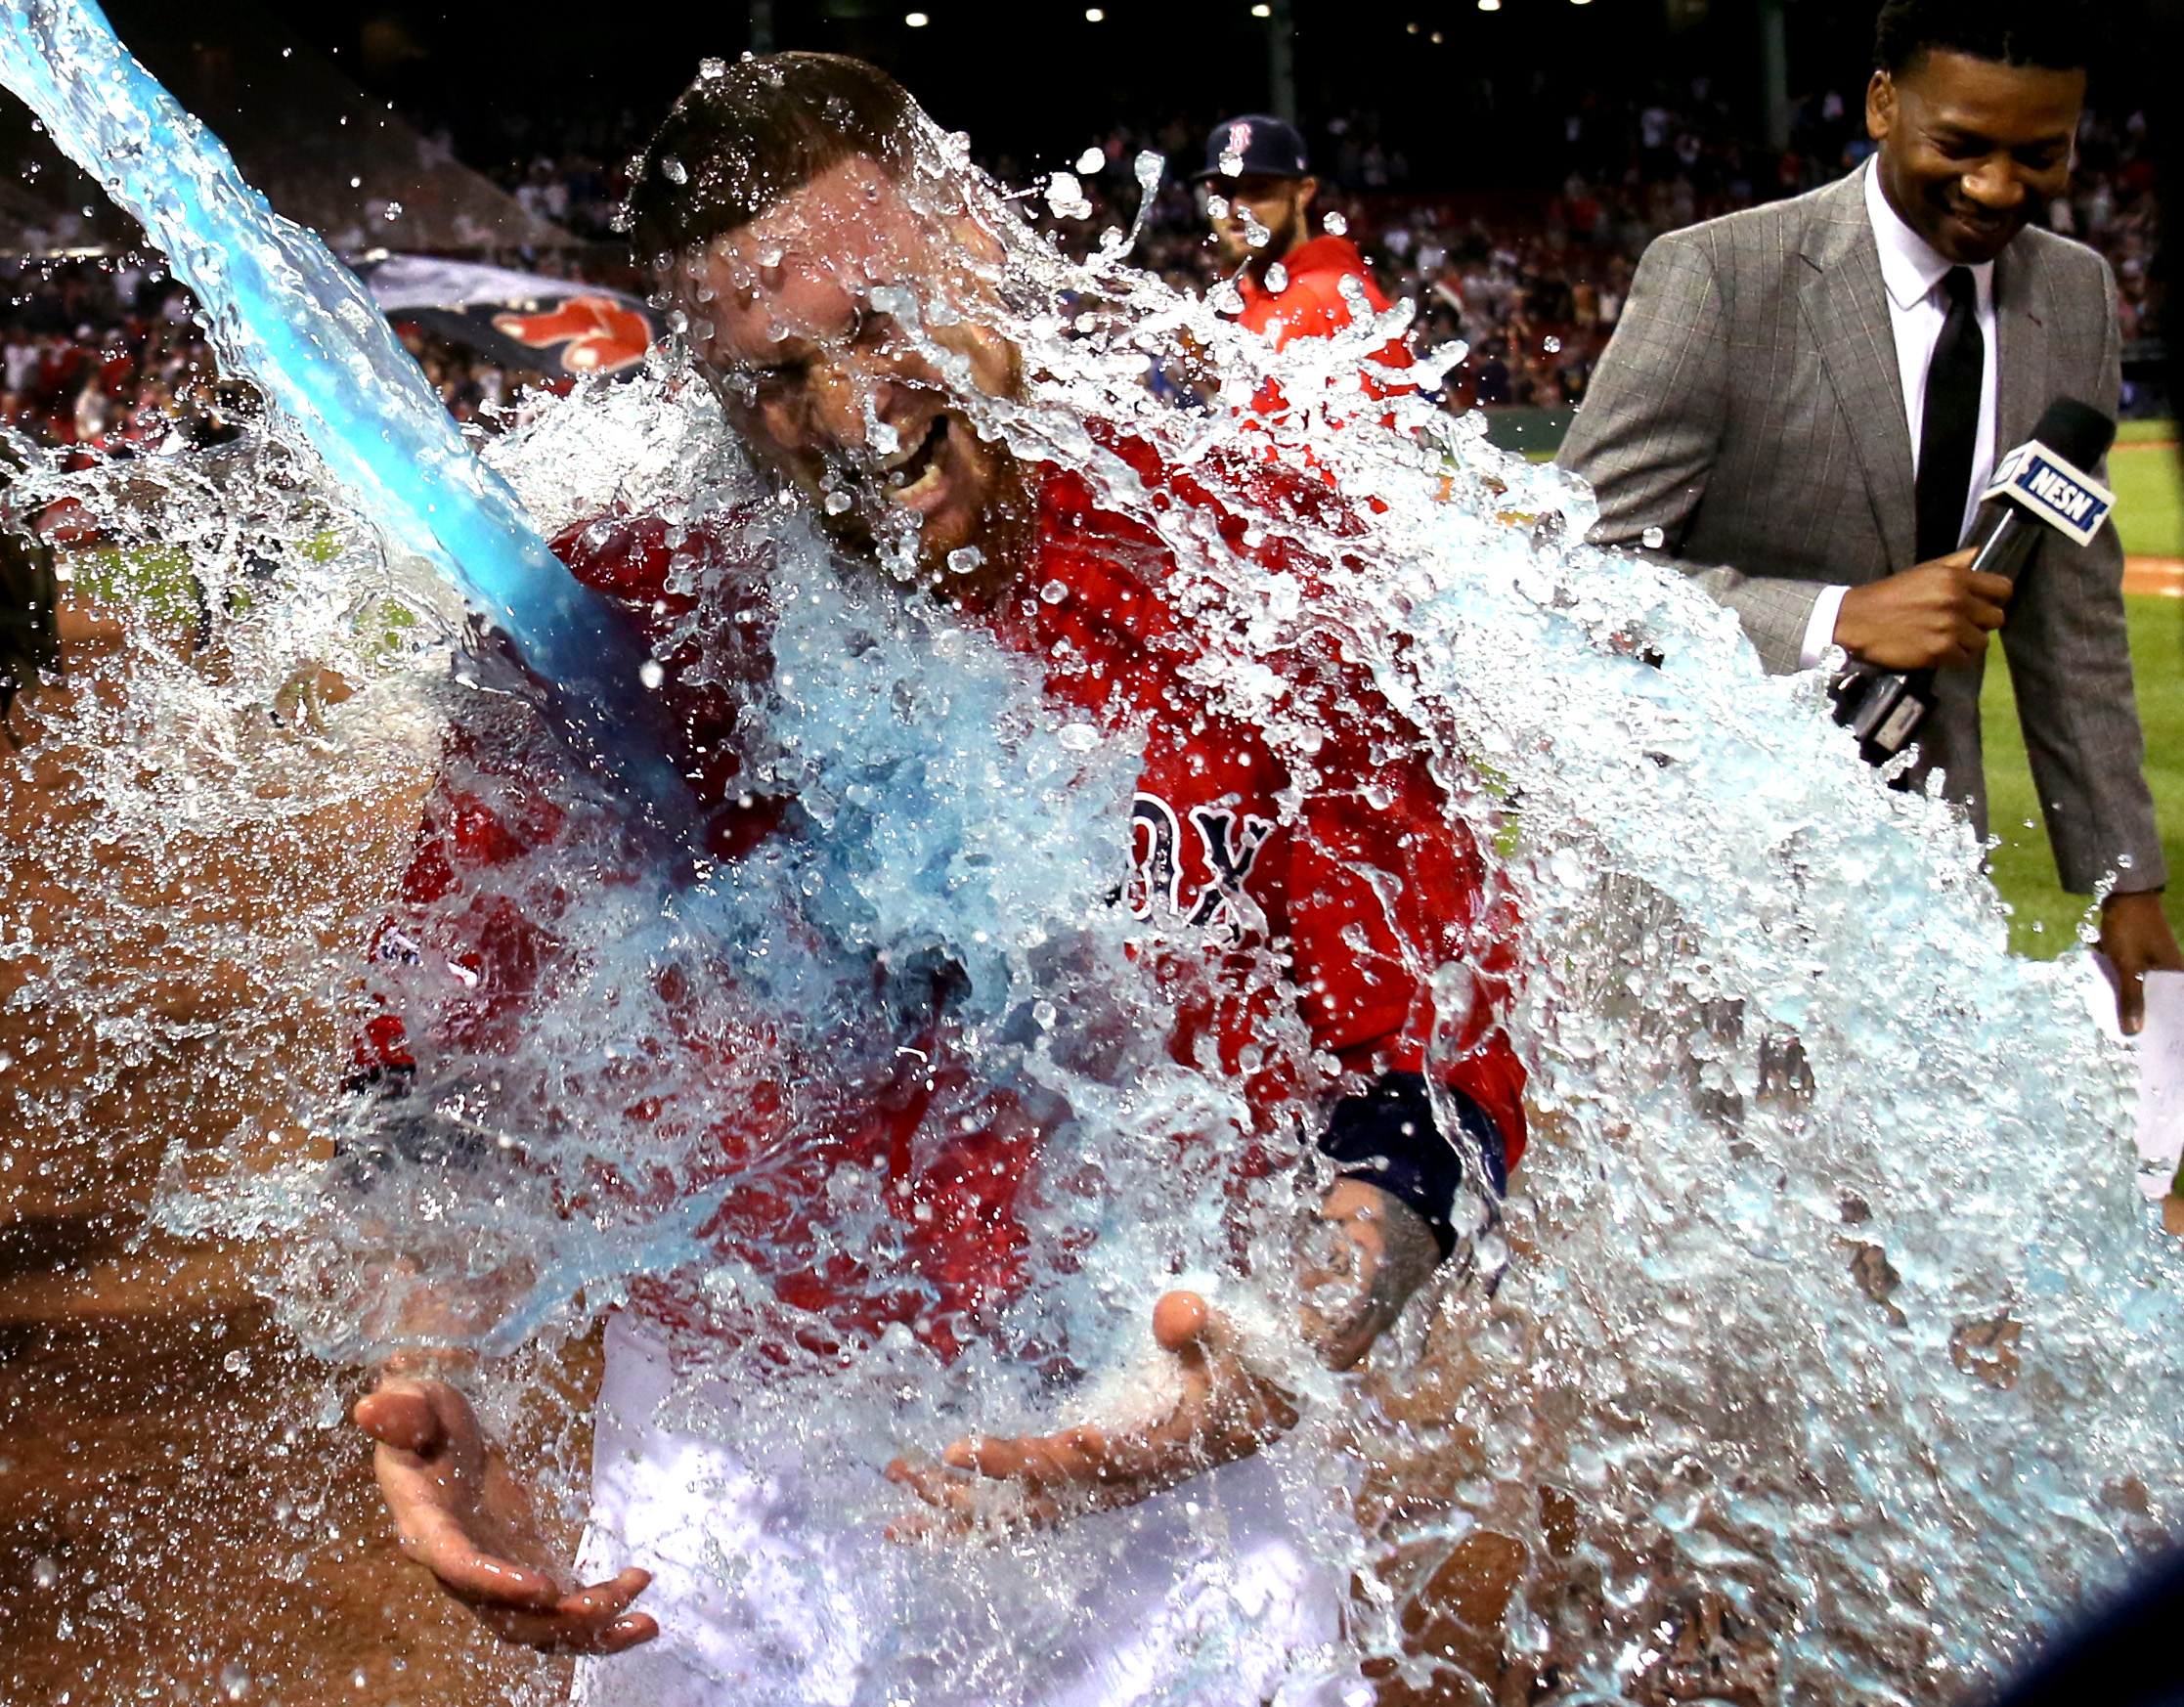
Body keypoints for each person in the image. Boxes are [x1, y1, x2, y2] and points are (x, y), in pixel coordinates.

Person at [347, 54, 1527, 1700]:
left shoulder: (1250, 562)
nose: (851, 415)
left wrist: (1286, 1350)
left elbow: (1425, 1043)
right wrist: (436, 1350)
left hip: (1168, 1409)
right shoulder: (614, 629)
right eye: (772, 377)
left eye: (880, 318)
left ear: (980, 244)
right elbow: (445, 1046)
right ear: (693, 380)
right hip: (739, 1449)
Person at [1557, 0, 2181, 1032]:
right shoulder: (1720, 274)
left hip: (1925, 868)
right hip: (1709, 854)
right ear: (1882, 104)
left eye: (2040, 154)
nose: (1996, 187)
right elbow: (1575, 570)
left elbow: (2068, 613)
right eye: (1961, 146)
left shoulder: (2073, 293)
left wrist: (2126, 880)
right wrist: (1833, 617)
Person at [1197, 113, 1411, 381]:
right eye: (1223, 192)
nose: (1237, 208)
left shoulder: (1339, 303)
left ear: (1303, 192)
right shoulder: (1252, 297)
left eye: (1258, 191)